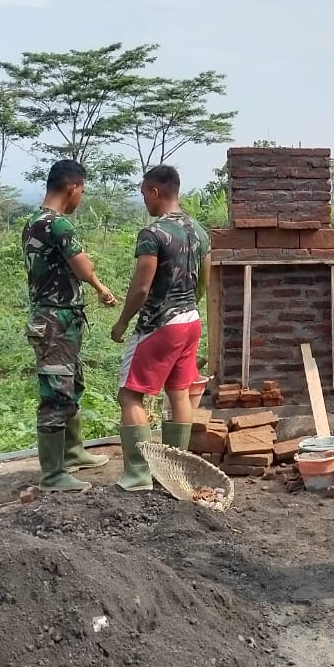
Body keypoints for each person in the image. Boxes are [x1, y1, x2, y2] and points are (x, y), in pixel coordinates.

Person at [109, 165, 210, 491]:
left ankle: (138, 475)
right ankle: (173, 472)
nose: (144, 202)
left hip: (159, 324)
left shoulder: (153, 234)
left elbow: (141, 287)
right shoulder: (199, 231)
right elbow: (204, 280)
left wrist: (123, 321)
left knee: (130, 395)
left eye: (144, 195)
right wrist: (187, 305)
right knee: (179, 392)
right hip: (190, 320)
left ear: (154, 191)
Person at [22, 159, 117, 494]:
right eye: (82, 191)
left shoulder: (34, 221)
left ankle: (73, 452)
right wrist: (94, 275)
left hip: (58, 319)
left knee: (71, 386)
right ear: (72, 187)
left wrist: (98, 286)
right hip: (55, 322)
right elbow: (82, 265)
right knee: (55, 395)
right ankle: (52, 474)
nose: (81, 198)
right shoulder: (57, 225)